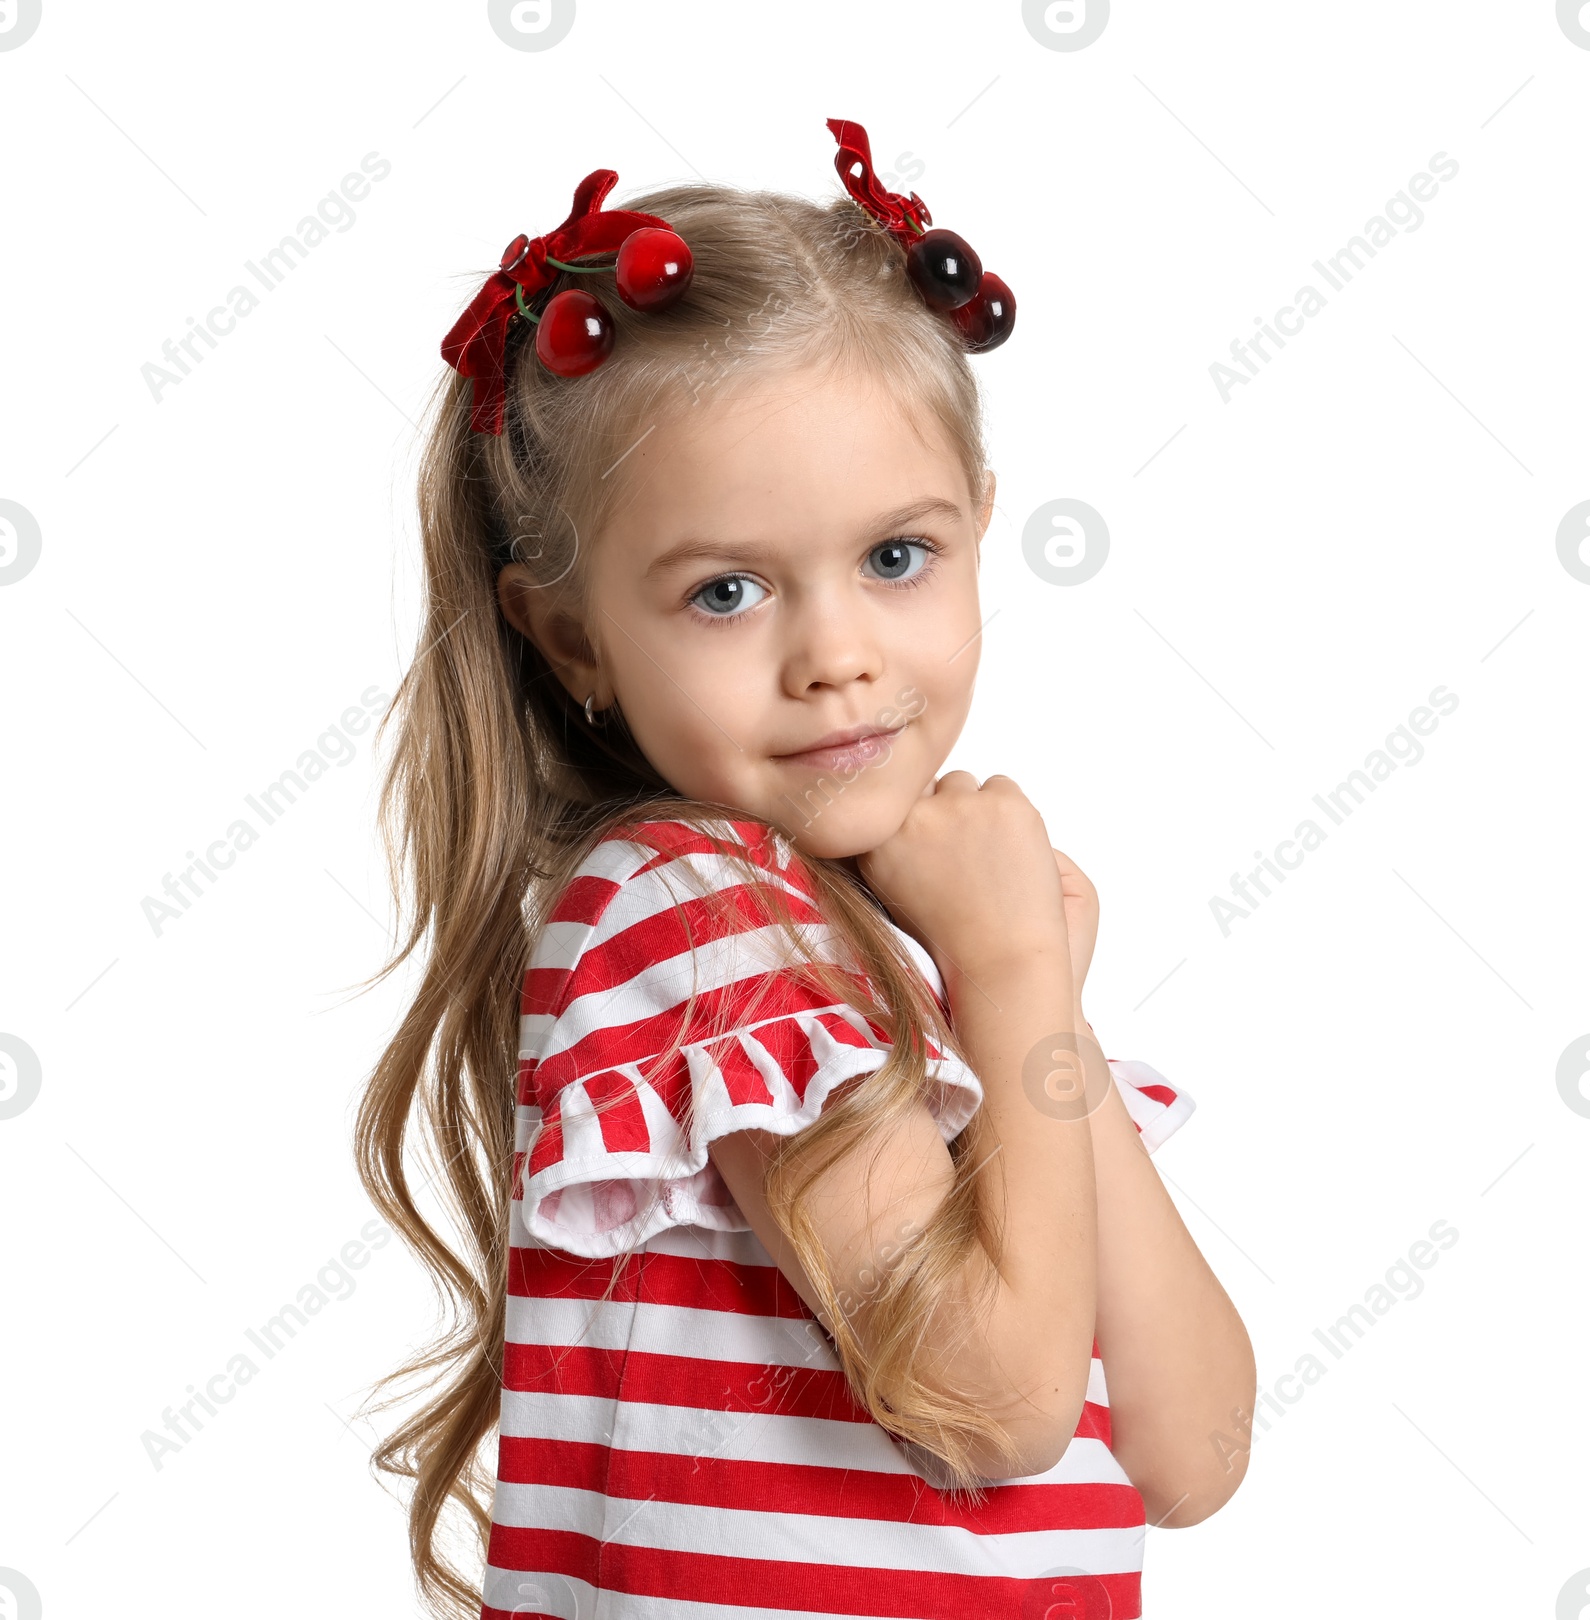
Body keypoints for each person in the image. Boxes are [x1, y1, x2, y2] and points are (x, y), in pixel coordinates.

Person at [354, 118, 1255, 1620]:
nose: (837, 657)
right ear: (572, 637)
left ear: (977, 530)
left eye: (897, 557)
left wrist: (1038, 1018)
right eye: (727, 590)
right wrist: (1020, 972)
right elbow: (998, 1407)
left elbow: (1191, 1450)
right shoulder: (690, 906)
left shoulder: (901, 951)